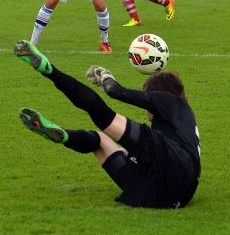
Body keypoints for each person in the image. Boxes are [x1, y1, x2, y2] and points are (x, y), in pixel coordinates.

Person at [13, 40, 201, 208]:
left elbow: (115, 91)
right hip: (170, 195)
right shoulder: (183, 119)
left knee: (104, 116)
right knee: (99, 141)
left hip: (173, 164)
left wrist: (105, 76)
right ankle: (64, 135)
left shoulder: (170, 101)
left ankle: (49, 70)